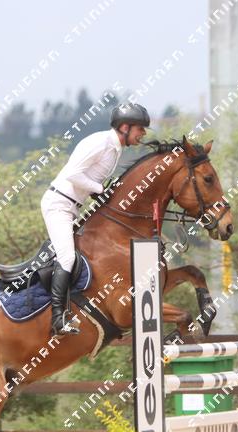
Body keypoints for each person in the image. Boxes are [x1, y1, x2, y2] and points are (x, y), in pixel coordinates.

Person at [42, 103, 150, 336]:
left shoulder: (115, 148)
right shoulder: (100, 142)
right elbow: (72, 174)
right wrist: (99, 189)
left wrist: (97, 192)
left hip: (72, 207)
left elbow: (88, 179)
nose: (143, 133)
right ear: (124, 127)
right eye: (140, 128)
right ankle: (58, 319)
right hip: (58, 205)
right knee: (67, 257)